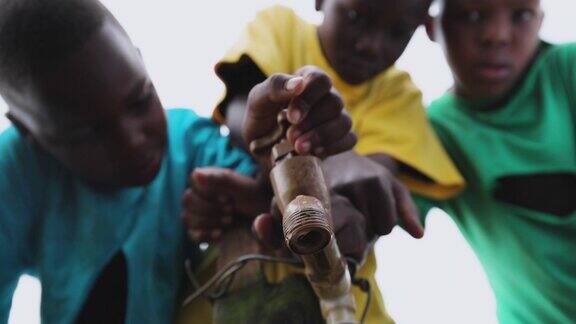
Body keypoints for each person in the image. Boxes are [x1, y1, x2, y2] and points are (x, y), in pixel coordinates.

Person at [0, 0, 354, 322]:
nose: (131, 142)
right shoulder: (14, 171)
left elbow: (275, 200)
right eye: (87, 135)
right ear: (28, 130)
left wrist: (279, 161)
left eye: (140, 100)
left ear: (140, 60)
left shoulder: (188, 142)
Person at [182, 0, 465, 322]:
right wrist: (321, 168)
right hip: (226, 296)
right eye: (356, 16)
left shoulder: (398, 94)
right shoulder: (281, 28)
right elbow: (242, 116)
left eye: (398, 32)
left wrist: (270, 193)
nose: (370, 45)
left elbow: (365, 187)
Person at [420, 0, 576, 322]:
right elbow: (366, 214)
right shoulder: (433, 133)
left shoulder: (567, 71)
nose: (497, 35)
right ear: (433, 26)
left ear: (540, 21)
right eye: (473, 15)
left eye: (520, 16)